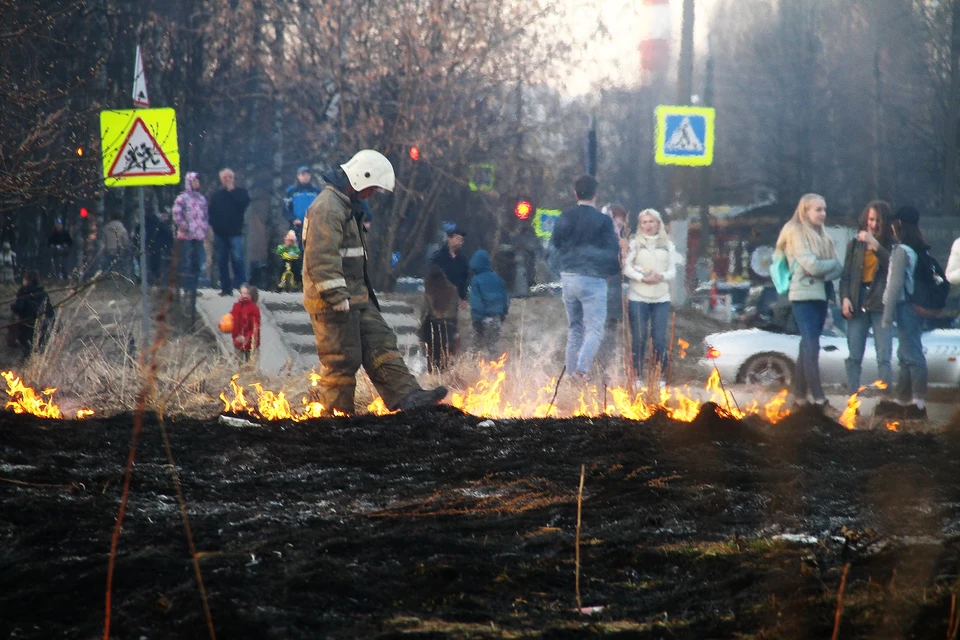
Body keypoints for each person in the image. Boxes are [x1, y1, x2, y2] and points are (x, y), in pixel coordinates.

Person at [303, 149, 447, 413]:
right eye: (372, 188)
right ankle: (335, 418)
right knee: (341, 360)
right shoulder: (327, 208)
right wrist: (336, 296)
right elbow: (320, 258)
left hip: (356, 296)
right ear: (359, 179)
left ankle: (407, 397)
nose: (373, 194)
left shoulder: (348, 207)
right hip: (332, 300)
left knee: (382, 343)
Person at [548, 174, 621, 381]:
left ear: (575, 193)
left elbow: (553, 248)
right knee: (595, 329)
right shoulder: (603, 221)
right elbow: (612, 252)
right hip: (593, 280)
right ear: (596, 194)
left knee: (575, 329)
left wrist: (559, 270)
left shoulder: (565, 217)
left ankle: (571, 375)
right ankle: (581, 370)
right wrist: (610, 272)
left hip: (569, 278)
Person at [774, 193, 843, 411]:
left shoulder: (822, 234)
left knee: (807, 348)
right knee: (812, 346)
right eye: (818, 209)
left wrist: (823, 266)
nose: (823, 213)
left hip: (821, 295)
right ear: (805, 210)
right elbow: (811, 266)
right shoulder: (795, 231)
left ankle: (799, 399)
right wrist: (827, 265)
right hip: (802, 296)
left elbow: (837, 268)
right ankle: (820, 400)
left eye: (824, 209)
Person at [839, 200, 894, 404]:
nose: (873, 224)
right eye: (871, 219)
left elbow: (891, 266)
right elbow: (846, 276)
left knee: (884, 356)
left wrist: (875, 244)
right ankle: (853, 401)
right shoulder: (854, 245)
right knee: (854, 355)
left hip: (880, 303)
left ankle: (885, 401)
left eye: (878, 220)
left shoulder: (892, 245)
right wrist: (845, 298)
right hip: (858, 298)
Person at [880, 206, 929, 419]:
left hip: (905, 307)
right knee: (906, 355)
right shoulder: (920, 248)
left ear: (900, 225)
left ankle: (917, 405)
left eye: (894, 223)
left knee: (912, 356)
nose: (891, 226)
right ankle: (903, 401)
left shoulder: (902, 251)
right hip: (916, 307)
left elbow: (894, 286)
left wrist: (887, 316)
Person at [622, 208, 679, 387]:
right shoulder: (635, 243)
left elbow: (673, 270)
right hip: (638, 297)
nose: (648, 225)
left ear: (658, 223)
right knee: (639, 337)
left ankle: (660, 378)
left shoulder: (668, 244)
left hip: (661, 298)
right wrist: (642, 278)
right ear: (640, 225)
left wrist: (662, 276)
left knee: (659, 339)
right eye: (644, 222)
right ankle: (637, 377)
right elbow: (627, 267)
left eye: (651, 221)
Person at [208, 168, 250, 297]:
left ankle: (242, 287)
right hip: (220, 234)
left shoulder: (241, 192)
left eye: (229, 177)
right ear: (221, 179)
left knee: (238, 259)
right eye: (225, 177)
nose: (227, 179)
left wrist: (232, 191)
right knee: (222, 261)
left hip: (235, 232)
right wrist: (215, 226)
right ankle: (226, 288)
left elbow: (244, 203)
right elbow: (211, 212)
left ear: (233, 178)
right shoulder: (217, 196)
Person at [598, 203, 630, 367]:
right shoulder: (603, 240)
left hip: (613, 297)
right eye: (619, 219)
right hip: (602, 294)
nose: (620, 225)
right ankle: (598, 367)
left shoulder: (621, 241)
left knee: (610, 333)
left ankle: (605, 367)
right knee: (600, 332)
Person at [171, 171, 208, 299]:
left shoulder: (202, 199)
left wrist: (204, 227)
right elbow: (176, 214)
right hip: (186, 236)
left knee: (197, 262)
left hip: (198, 236)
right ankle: (185, 288)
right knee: (186, 262)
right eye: (195, 181)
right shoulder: (182, 198)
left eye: (198, 181)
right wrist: (184, 226)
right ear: (190, 182)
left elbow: (205, 216)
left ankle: (193, 288)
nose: (198, 183)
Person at [468, 249, 510, 359]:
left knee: (476, 349)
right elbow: (505, 298)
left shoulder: (476, 280)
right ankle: (495, 372)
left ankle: (473, 372)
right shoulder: (497, 279)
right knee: (493, 347)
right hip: (496, 318)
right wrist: (503, 314)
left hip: (482, 319)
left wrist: (477, 319)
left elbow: (476, 301)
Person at [420, 265, 459, 373]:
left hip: (433, 327)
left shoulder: (429, 292)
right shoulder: (453, 290)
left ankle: (433, 380)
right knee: (447, 358)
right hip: (449, 327)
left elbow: (424, 313)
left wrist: (421, 334)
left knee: (432, 360)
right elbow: (455, 311)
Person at [10, 270, 54, 362]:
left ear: (26, 280)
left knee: (26, 347)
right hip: (42, 326)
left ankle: (27, 361)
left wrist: (12, 306)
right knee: (39, 348)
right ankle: (36, 362)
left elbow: (19, 307)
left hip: (26, 325)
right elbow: (50, 312)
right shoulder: (42, 292)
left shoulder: (24, 292)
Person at [431, 226, 470, 303]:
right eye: (458, 239)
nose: (460, 242)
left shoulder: (462, 259)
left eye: (462, 240)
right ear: (449, 238)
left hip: (456, 298)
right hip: (440, 297)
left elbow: (464, 280)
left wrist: (463, 298)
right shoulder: (439, 257)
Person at [230, 283, 261, 363]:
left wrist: (246, 337)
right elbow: (232, 322)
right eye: (241, 293)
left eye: (245, 293)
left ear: (250, 295)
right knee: (238, 367)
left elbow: (255, 328)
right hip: (238, 343)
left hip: (251, 344)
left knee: (250, 367)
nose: (242, 295)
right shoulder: (236, 306)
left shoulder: (253, 309)